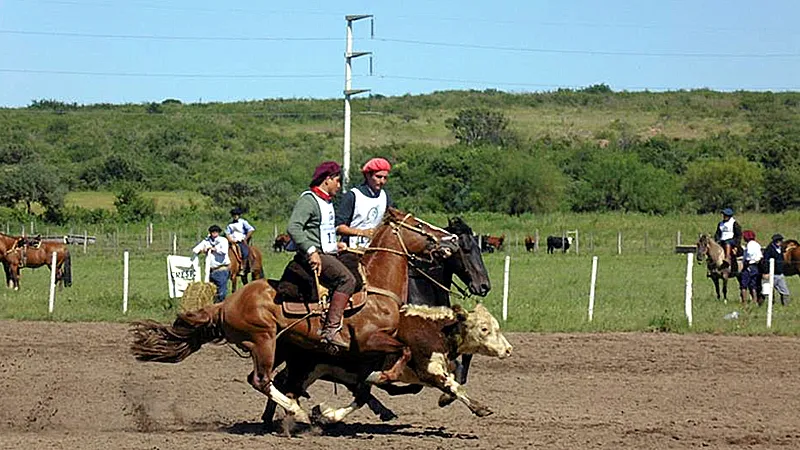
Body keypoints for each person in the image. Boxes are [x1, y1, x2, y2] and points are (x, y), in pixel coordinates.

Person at [287, 161, 356, 350]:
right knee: (347, 280)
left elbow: (322, 232)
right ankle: (331, 330)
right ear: (327, 180)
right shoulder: (308, 200)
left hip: (326, 251)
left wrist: (337, 245)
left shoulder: (326, 201)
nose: (339, 186)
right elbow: (294, 227)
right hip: (312, 254)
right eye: (338, 181)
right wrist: (311, 251)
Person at [335, 157, 394, 249]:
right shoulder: (353, 195)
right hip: (351, 247)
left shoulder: (385, 196)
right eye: (378, 177)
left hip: (375, 247)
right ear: (367, 175)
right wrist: (362, 233)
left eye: (385, 178)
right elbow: (339, 227)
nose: (382, 181)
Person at [192, 225, 230, 303]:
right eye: (212, 232)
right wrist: (202, 250)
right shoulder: (206, 241)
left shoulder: (223, 240)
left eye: (216, 232)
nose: (214, 233)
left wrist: (213, 249)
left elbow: (224, 251)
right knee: (211, 292)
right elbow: (195, 249)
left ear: (218, 233)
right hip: (210, 271)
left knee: (221, 293)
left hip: (221, 270)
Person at [764, 234, 791, 306]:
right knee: (769, 291)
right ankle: (768, 305)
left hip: (779, 274)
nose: (781, 243)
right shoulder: (769, 250)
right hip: (772, 274)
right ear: (776, 241)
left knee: (785, 291)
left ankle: (785, 305)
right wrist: (766, 272)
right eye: (780, 241)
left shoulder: (780, 249)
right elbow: (766, 261)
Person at [226, 207, 255, 272]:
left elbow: (251, 229)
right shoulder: (230, 224)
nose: (235, 216)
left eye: (236, 215)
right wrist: (230, 239)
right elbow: (227, 233)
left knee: (245, 251)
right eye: (234, 215)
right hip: (232, 241)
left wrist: (245, 238)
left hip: (240, 240)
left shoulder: (243, 222)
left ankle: (244, 266)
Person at [740, 230, 762, 305]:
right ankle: (755, 300)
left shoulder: (749, 245)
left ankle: (744, 302)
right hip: (756, 266)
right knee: (753, 285)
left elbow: (749, 254)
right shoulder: (757, 244)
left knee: (744, 285)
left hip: (749, 265)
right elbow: (760, 256)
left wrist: (747, 261)